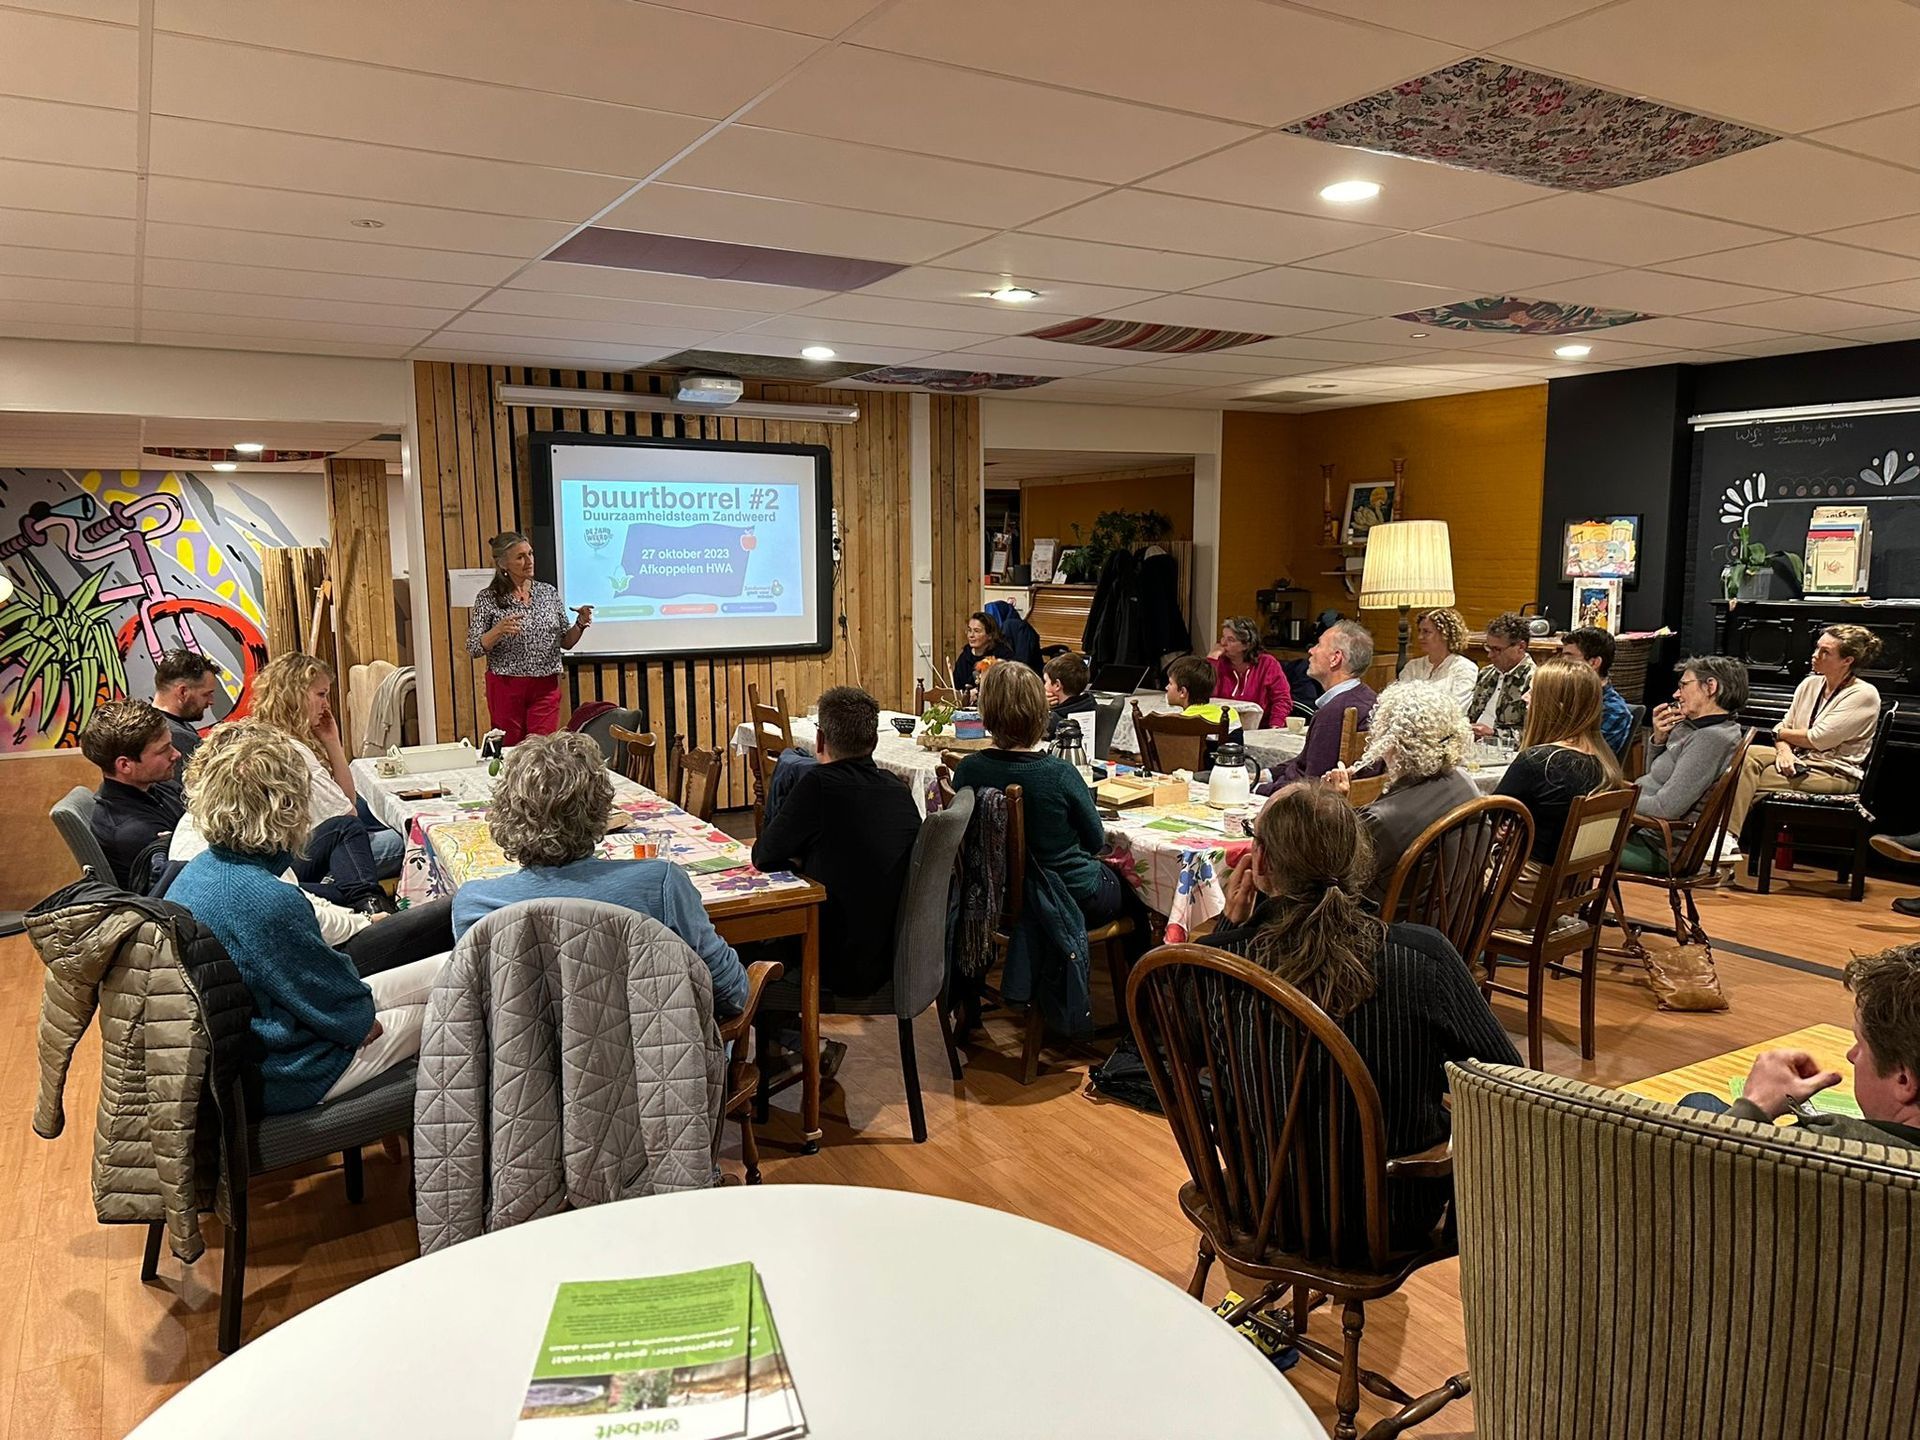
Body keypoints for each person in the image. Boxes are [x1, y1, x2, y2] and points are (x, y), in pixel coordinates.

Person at [1212, 782, 1521, 1247]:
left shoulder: (1217, 965)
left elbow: (1184, 1066)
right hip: (1391, 1214)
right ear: (1360, 860)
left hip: (1261, 1201)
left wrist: (1227, 930)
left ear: (1260, 865)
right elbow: (1508, 1078)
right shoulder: (1422, 956)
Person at [166, 724, 451, 1114]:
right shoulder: (266, 898)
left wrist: (354, 1012)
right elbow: (351, 1017)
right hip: (291, 1069)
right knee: (452, 1010)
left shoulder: (200, 869)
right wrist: (359, 1020)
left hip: (264, 1045)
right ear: (288, 808)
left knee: (455, 970)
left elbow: (323, 991)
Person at [450, 731, 748, 1015]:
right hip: (652, 1061)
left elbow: (475, 1009)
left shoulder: (474, 906)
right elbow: (732, 992)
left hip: (522, 1065)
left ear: (503, 812)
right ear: (601, 809)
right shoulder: (659, 885)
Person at [751, 686, 921, 998]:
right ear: (874, 741)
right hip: (888, 959)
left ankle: (778, 1041)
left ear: (819, 741)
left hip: (830, 960)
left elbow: (763, 856)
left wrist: (799, 859)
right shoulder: (899, 790)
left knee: (739, 941)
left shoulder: (817, 785)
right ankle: (785, 1040)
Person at [1680, 945, 1920, 1151]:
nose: (1851, 1055)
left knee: (1698, 1105)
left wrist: (1754, 1107)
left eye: (1861, 1043)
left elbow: (1690, 1175)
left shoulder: (1821, 1146)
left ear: (1903, 1079)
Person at [952, 662, 1130, 934]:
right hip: (1067, 893)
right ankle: (1145, 973)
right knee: (1135, 892)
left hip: (998, 895)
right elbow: (1095, 841)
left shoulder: (968, 769)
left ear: (985, 715)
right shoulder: (1059, 773)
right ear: (1041, 714)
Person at [251, 653, 401, 912]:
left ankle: (360, 897)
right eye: (320, 695)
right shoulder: (292, 751)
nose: (326, 705)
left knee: (372, 817)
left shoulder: (267, 734)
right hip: (288, 861)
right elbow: (347, 815)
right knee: (404, 840)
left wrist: (331, 741)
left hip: (278, 854)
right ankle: (368, 903)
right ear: (295, 696)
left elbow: (346, 805)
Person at [1728, 624, 1883, 844]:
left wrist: (1782, 734)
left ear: (1847, 661)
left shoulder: (1863, 694)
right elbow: (1783, 728)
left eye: (1825, 652)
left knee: (1733, 778)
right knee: (1748, 753)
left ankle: (1722, 841)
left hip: (1834, 773)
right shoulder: (1810, 684)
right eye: (1817, 648)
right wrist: (1784, 752)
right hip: (1798, 761)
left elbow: (1816, 739)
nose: (1815, 655)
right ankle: (1724, 842)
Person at [1323, 682, 1478, 901]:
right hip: (1459, 923)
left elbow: (1333, 876)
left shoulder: (1383, 819)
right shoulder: (1465, 783)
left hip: (1389, 928)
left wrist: (1333, 809)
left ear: (1390, 742)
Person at [1619, 655, 1747, 875]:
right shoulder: (1693, 728)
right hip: (1642, 830)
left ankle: (1572, 904)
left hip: (1660, 846)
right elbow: (1656, 779)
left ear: (1710, 687)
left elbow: (1665, 808)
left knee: (1564, 840)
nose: (1676, 694)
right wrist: (1659, 741)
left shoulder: (1712, 739)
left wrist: (1616, 796)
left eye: (1683, 685)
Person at [466, 529, 594, 745]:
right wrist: (497, 630)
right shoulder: (488, 598)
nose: (529, 561)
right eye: (520, 557)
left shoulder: (548, 593)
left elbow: (565, 641)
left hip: (546, 685)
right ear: (503, 564)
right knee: (510, 747)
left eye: (530, 554)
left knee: (542, 748)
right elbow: (473, 648)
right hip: (507, 685)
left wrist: (580, 624)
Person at [1494, 658, 1624, 868]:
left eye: (1534, 692)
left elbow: (1487, 821)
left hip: (1523, 886)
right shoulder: (1605, 763)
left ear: (1557, 706)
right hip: (1571, 891)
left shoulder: (1538, 762)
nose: (1525, 699)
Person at [1255, 618, 1376, 794]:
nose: (1311, 651)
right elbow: (1306, 761)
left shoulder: (1334, 714)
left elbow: (1310, 786)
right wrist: (1267, 774)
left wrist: (1257, 788)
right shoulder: (1369, 698)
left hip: (1300, 806)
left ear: (1335, 658)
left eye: (1318, 645)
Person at [80, 700, 183, 890]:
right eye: (163, 750)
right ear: (125, 765)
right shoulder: (130, 832)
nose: (176, 754)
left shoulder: (158, 786)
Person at [1559, 627, 1633, 758]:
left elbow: (1585, 759)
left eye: (1569, 656)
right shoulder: (1566, 695)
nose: (1561, 664)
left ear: (1594, 663)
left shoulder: (1613, 710)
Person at [1209, 617, 1291, 728]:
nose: (1223, 643)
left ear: (1246, 645)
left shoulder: (1267, 663)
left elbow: (1282, 699)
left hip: (1259, 729)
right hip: (1220, 728)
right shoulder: (1217, 663)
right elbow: (1203, 695)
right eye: (1223, 637)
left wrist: (1275, 725)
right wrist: (1212, 660)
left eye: (1231, 640)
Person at [150, 648, 222, 776]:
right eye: (206, 694)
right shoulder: (177, 737)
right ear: (183, 692)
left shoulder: (156, 727)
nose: (211, 701)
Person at [1467, 611, 1535, 740]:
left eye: (1497, 649)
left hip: (1506, 752)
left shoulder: (1535, 680)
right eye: (1488, 648)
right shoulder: (1486, 674)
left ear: (1520, 647)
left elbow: (1533, 735)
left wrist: (1493, 734)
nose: (1490, 655)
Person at [1396, 607, 1477, 710]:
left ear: (1445, 634)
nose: (1420, 637)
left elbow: (1457, 708)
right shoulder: (1412, 667)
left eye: (1426, 632)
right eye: (1419, 631)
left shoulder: (1464, 668)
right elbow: (1399, 701)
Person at [953, 610, 1012, 693]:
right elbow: (957, 687)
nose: (971, 635)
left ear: (990, 635)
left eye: (976, 631)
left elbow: (1008, 687)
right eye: (969, 630)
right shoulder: (964, 657)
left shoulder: (1002, 655)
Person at [1043, 652, 1096, 742]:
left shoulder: (1051, 721)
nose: (1044, 686)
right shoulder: (1091, 705)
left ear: (1057, 685)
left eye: (1046, 681)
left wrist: (1042, 708)